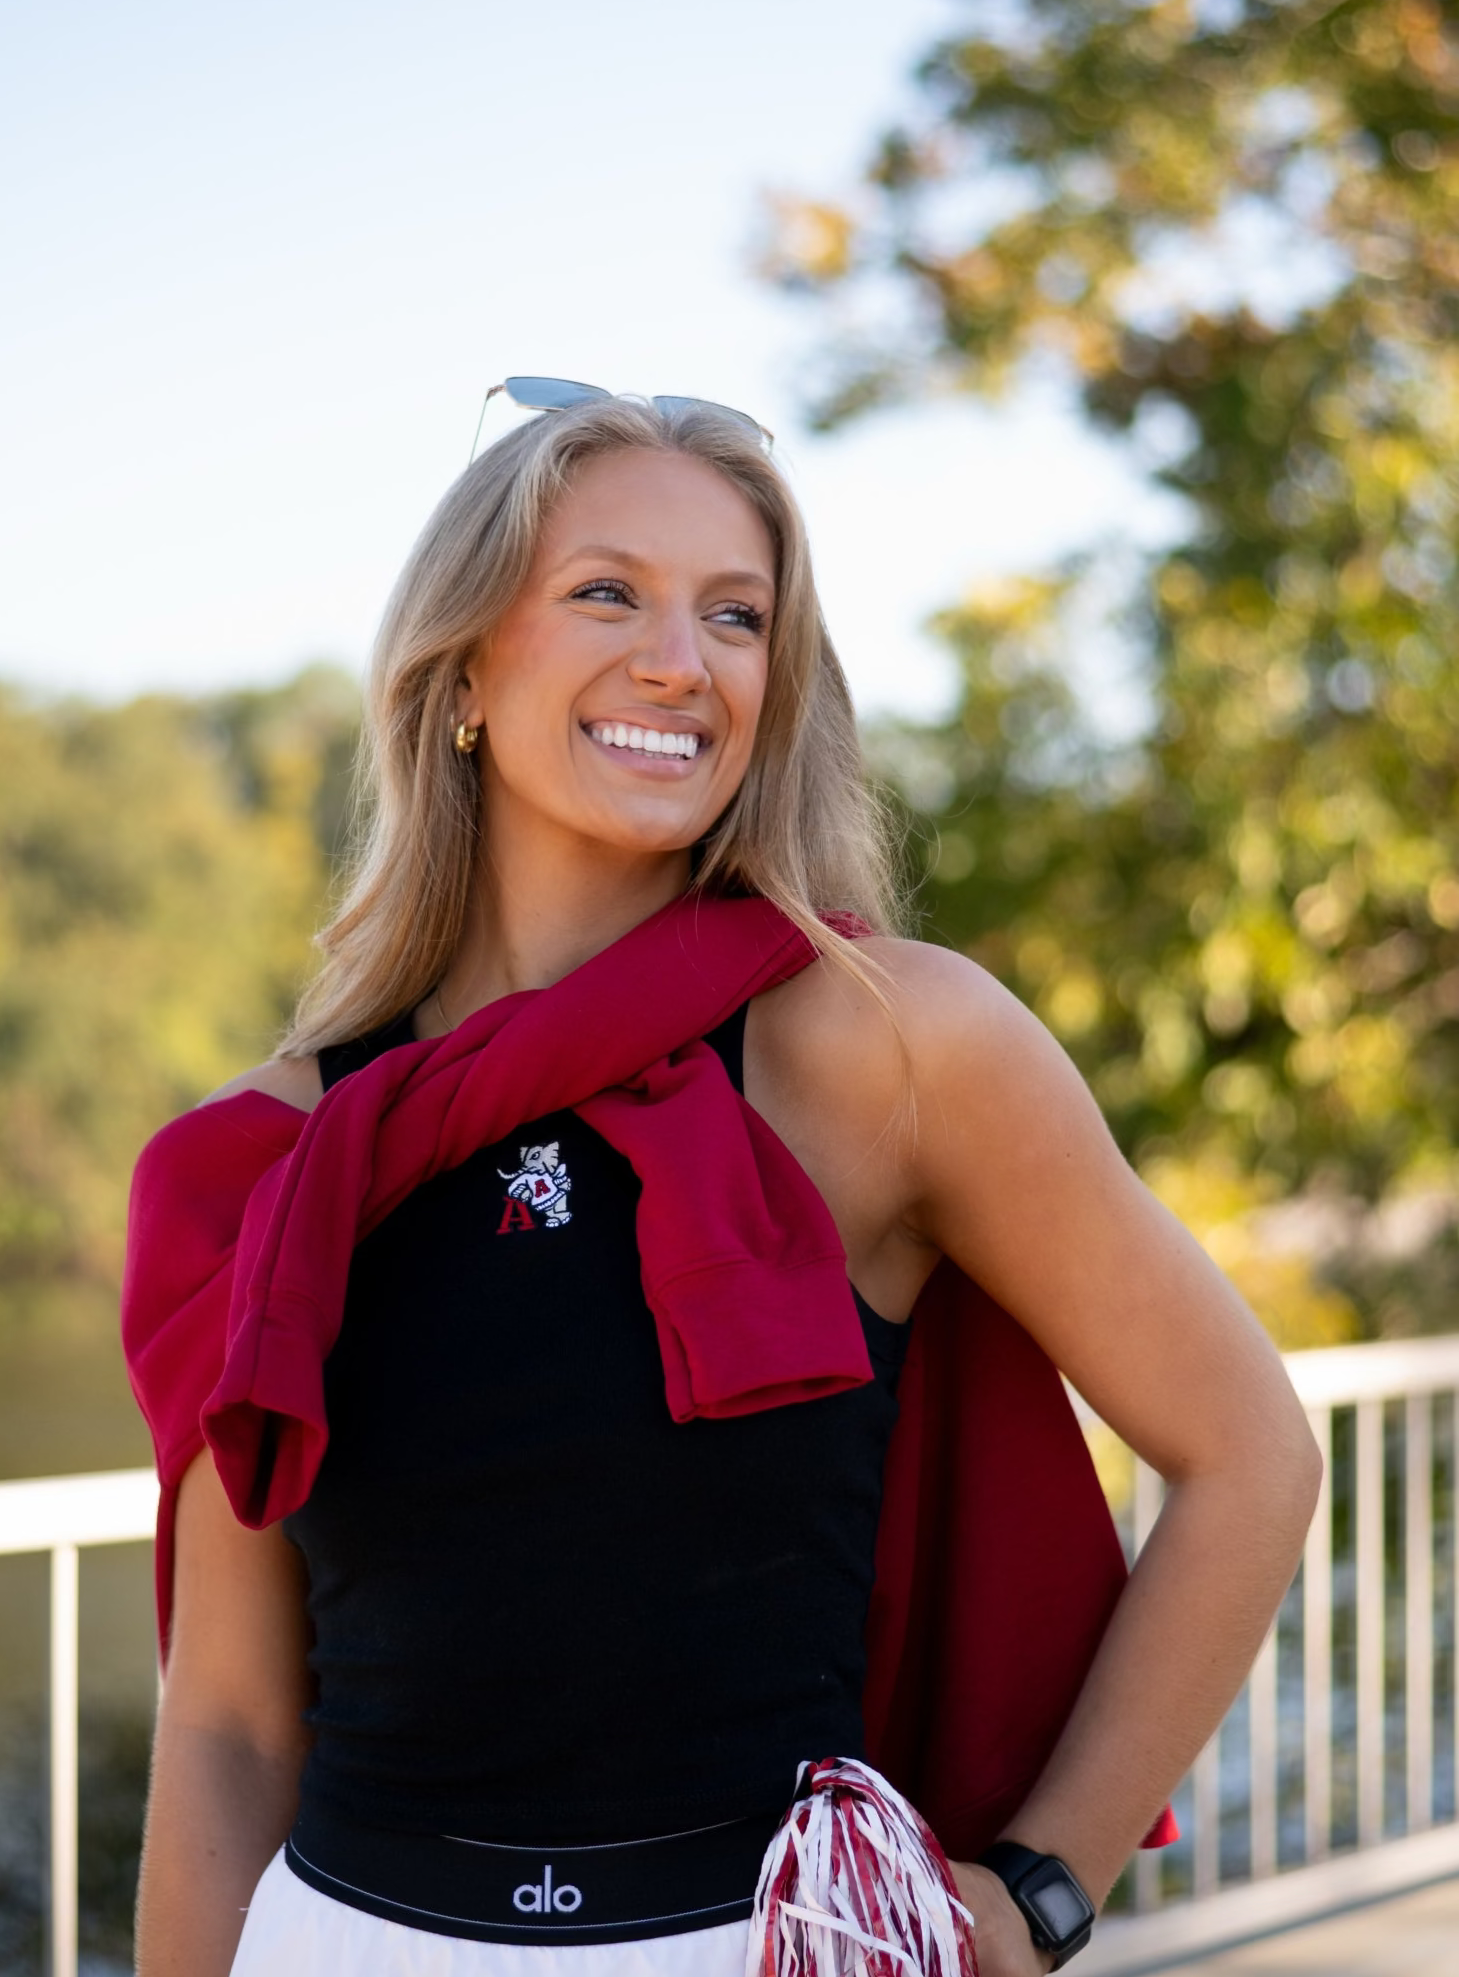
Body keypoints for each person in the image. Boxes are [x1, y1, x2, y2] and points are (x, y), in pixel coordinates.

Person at [125, 389, 1321, 1977]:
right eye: (606, 592)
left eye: (738, 616)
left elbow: (1250, 1454)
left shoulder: (897, 1049)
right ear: (462, 668)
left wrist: (1041, 1890)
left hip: (763, 1945)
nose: (681, 661)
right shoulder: (259, 1158)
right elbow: (225, 1723)